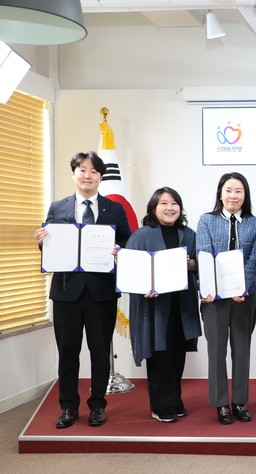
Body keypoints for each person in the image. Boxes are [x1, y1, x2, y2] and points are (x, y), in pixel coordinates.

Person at [34, 151, 132, 429]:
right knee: (67, 353)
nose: (87, 176)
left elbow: (128, 241)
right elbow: (50, 247)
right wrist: (42, 242)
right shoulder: (57, 207)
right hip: (66, 292)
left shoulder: (114, 209)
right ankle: (68, 406)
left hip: (102, 292)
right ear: (74, 173)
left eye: (94, 171)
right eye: (82, 170)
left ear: (101, 177)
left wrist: (120, 250)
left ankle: (98, 405)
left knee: (100, 351)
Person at [125, 187, 201, 422]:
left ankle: (175, 400)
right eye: (164, 203)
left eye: (174, 203)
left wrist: (191, 264)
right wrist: (143, 287)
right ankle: (161, 406)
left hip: (182, 306)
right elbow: (129, 271)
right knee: (160, 355)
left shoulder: (188, 234)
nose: (170, 208)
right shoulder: (141, 235)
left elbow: (200, 264)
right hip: (155, 308)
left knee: (177, 354)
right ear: (153, 208)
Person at [196, 172, 256, 425]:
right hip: (214, 298)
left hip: (244, 296)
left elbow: (254, 259)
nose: (233, 195)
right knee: (216, 351)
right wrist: (210, 288)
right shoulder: (207, 220)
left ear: (245, 195)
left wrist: (240, 288)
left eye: (238, 191)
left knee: (242, 350)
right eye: (229, 190)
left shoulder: (255, 223)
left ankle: (240, 401)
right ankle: (221, 403)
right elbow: (203, 254)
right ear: (220, 194)